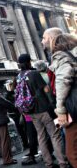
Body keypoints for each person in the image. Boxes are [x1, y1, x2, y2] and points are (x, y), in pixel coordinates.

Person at [17, 54, 67, 168]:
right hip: (44, 109)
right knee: (55, 135)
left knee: (41, 136)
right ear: (29, 62)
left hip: (31, 112)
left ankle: (48, 163)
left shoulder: (19, 76)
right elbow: (46, 89)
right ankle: (62, 162)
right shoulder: (34, 73)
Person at [48, 34, 77, 166]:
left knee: (71, 153)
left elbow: (62, 82)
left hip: (72, 109)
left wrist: (60, 110)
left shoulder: (61, 57)